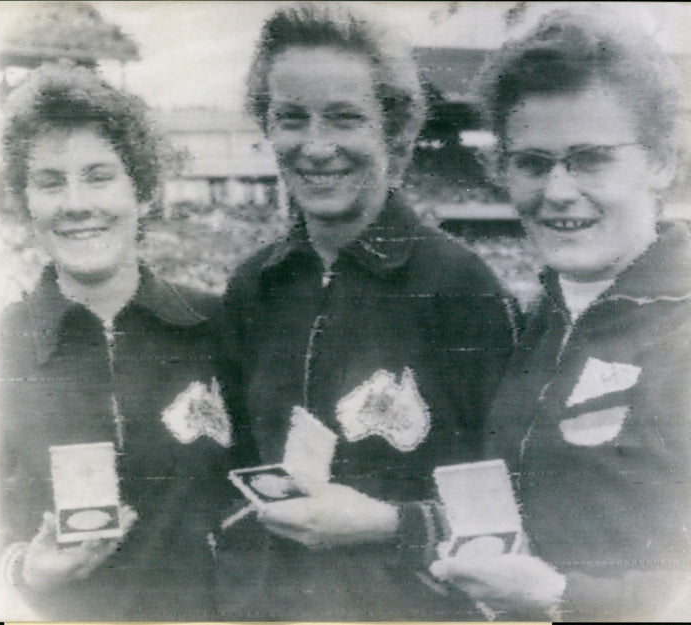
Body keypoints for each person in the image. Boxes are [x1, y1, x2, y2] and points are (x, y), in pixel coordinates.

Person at [215, 3, 518, 620]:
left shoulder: (462, 286)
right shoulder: (252, 288)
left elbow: (518, 501)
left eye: (345, 119)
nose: (315, 146)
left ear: (396, 131)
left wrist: (393, 525)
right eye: (291, 118)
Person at [429, 7, 691, 621]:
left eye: (591, 158)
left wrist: (562, 599)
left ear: (661, 163)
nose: (557, 190)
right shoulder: (547, 313)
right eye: (532, 161)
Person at [0, 62, 234, 621]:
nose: (76, 203)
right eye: (50, 182)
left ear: (144, 191)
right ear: (27, 205)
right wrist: (23, 572)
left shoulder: (219, 326)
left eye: (99, 175)